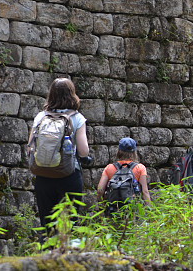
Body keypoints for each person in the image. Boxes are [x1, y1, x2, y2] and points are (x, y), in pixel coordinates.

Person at [29, 77, 90, 228]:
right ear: (72, 94)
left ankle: (47, 249)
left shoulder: (40, 117)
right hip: (69, 175)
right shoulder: (77, 118)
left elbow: (30, 147)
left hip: (43, 176)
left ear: (51, 94)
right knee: (69, 224)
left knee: (46, 223)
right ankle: (67, 250)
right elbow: (83, 151)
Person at [96, 137, 152, 208]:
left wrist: (103, 207)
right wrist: (150, 211)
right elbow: (145, 192)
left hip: (114, 209)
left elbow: (100, 190)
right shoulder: (140, 168)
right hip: (132, 209)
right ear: (134, 151)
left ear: (119, 150)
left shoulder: (109, 167)